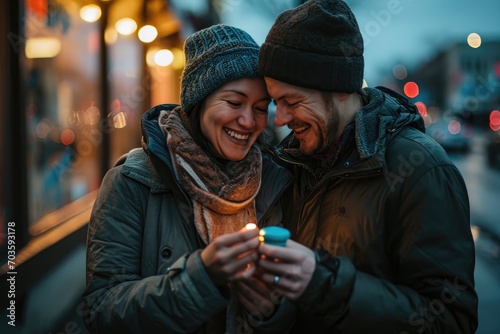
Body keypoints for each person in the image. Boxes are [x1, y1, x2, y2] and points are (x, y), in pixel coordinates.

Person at [250, 0, 479, 333]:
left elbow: (451, 320)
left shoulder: (421, 170)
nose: (281, 119)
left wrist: (328, 285)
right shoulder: (290, 162)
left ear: (341, 90)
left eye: (293, 102)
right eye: (275, 102)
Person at [80, 24, 294, 333]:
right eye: (234, 103)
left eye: (261, 108)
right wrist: (202, 277)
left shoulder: (274, 182)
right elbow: (101, 311)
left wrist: (272, 311)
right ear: (199, 101)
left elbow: (292, 311)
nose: (248, 121)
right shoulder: (134, 180)